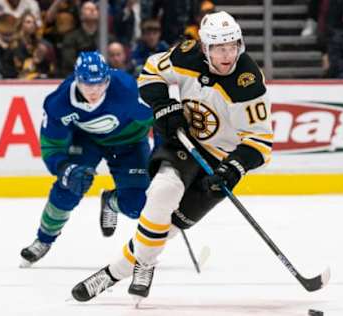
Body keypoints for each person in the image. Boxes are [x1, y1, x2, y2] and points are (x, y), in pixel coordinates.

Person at [71, 11, 273, 304]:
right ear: (205, 47)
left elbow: (260, 140)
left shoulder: (249, 82)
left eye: (232, 46)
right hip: (184, 140)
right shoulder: (187, 55)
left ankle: (118, 271)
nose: (227, 54)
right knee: (163, 192)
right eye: (219, 47)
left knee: (171, 227)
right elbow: (151, 70)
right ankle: (131, 269)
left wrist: (234, 168)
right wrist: (164, 105)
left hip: (223, 159)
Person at [20, 51, 153, 267]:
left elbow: (156, 117)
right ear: (76, 79)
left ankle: (111, 202)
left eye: (100, 83)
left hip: (130, 143)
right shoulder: (58, 103)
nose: (94, 90)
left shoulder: (126, 88)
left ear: (107, 79)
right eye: (87, 84)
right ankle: (43, 240)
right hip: (87, 141)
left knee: (136, 206)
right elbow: (52, 147)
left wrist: (162, 150)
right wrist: (65, 169)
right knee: (69, 187)